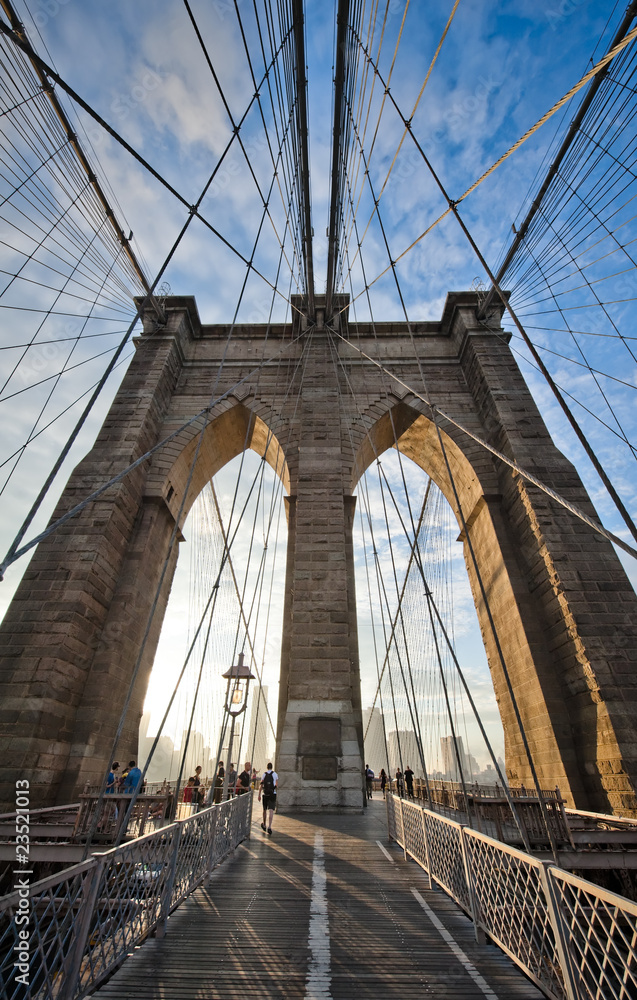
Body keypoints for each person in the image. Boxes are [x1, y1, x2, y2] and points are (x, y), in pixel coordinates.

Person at [259, 763, 278, 835]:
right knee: (271, 811)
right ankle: (269, 827)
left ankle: (264, 824)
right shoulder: (275, 774)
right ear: (272, 767)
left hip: (265, 794)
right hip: (272, 794)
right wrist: (273, 789)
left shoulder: (264, 774)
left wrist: (259, 794)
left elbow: (261, 785)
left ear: (267, 767)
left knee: (264, 810)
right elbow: (276, 784)